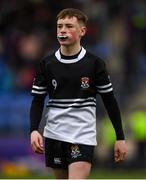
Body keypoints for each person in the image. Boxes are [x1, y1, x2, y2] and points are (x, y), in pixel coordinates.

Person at [30, 8, 126, 179]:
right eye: (59, 26)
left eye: (69, 26)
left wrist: (120, 137)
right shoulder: (47, 64)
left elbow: (110, 100)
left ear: (82, 31)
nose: (62, 30)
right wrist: (34, 130)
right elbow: (37, 100)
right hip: (54, 135)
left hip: (81, 136)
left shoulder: (95, 64)